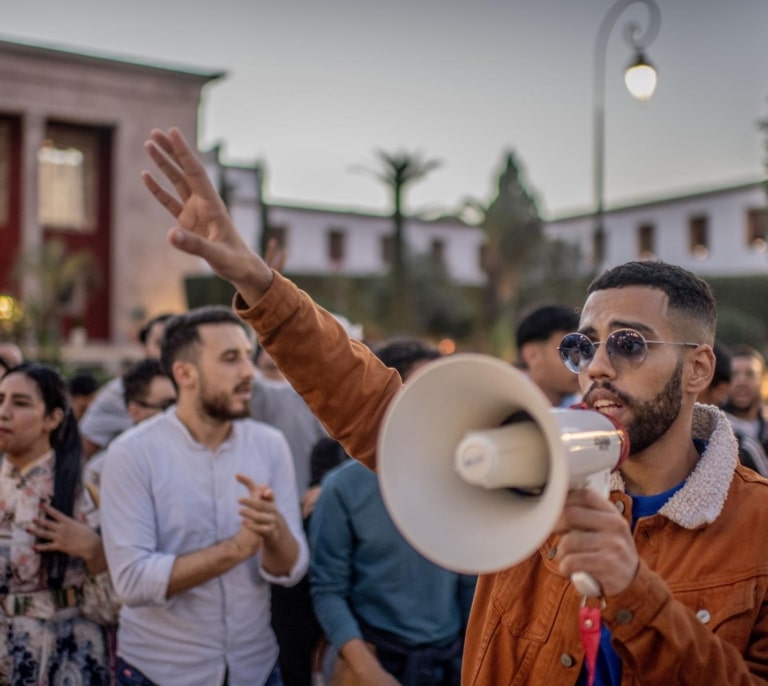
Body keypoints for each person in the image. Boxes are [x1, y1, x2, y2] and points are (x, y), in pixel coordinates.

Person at [142, 126, 768, 684]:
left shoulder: (758, 529)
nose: (599, 365)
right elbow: (384, 412)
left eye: (629, 344)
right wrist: (259, 285)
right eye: (584, 346)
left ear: (698, 368)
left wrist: (637, 596)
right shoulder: (533, 460)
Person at [100, 305, 309, 686]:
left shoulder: (269, 445)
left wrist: (274, 530)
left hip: (255, 667)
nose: (249, 372)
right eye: (231, 359)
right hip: (160, 673)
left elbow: (291, 570)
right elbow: (131, 582)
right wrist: (236, 549)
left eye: (248, 356)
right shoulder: (133, 453)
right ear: (184, 373)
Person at [310, 338, 475, 686]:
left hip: (449, 661)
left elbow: (469, 582)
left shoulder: (465, 477)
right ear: (384, 399)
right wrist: (368, 671)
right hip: (376, 659)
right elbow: (328, 589)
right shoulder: (341, 487)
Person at [0, 362, 114, 683]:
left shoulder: (82, 490)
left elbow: (112, 606)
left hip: (64, 654)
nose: (4, 412)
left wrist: (94, 551)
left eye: (20, 403)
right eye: (0, 400)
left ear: (52, 418)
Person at [79, 312, 174, 459]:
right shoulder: (119, 393)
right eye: (160, 344)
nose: (170, 351)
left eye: (178, 344)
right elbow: (82, 451)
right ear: (145, 348)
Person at [83, 357, 176, 493]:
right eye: (168, 406)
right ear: (135, 412)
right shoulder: (103, 471)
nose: (178, 413)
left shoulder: (201, 459)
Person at [515, 303, 581, 407]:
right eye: (567, 351)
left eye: (581, 351)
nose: (580, 362)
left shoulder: (587, 413)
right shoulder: (502, 409)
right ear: (531, 355)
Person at [721, 344, 768, 476]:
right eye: (734, 374)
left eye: (750, 374)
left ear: (763, 380)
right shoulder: (714, 431)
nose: (742, 382)